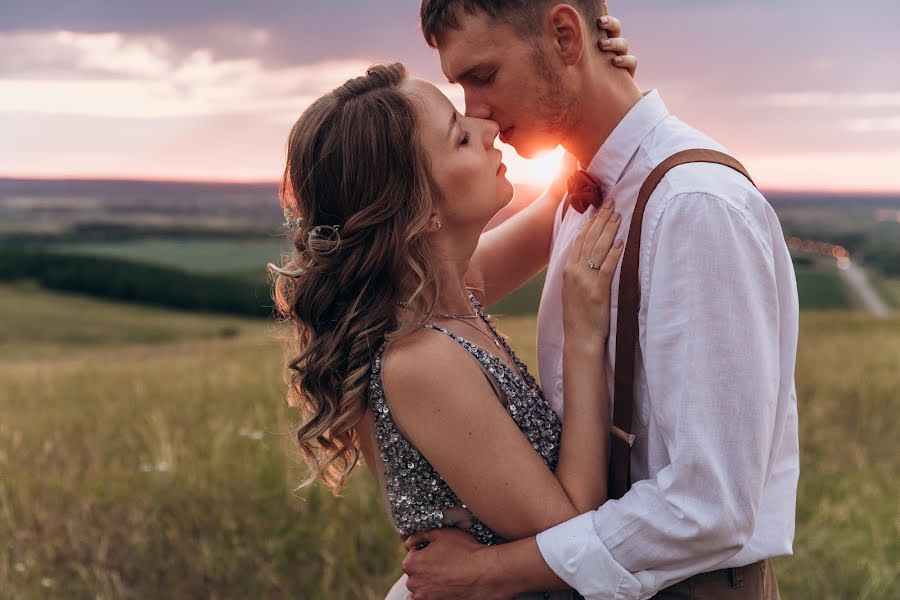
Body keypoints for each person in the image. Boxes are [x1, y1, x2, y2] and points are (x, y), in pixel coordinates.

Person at [400, 1, 800, 599]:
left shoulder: (694, 207)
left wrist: (491, 572)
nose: (476, 111)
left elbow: (709, 506)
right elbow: (425, 281)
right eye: (461, 87)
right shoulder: (585, 189)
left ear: (564, 34)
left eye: (483, 77)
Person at [267, 19, 638, 600]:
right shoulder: (420, 359)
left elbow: (571, 186)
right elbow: (571, 535)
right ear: (417, 204)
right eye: (460, 138)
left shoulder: (446, 295)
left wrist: (587, 70)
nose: (486, 127)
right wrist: (583, 337)